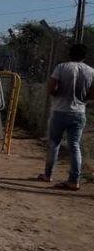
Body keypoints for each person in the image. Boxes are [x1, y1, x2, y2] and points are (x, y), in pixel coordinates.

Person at [38, 44, 94, 191]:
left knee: (54, 143)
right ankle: (74, 180)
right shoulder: (90, 71)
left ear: (70, 54)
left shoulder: (62, 67)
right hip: (79, 112)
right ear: (84, 56)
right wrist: (83, 98)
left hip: (60, 110)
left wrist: (56, 94)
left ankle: (47, 174)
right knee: (74, 145)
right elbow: (93, 93)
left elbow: (50, 86)